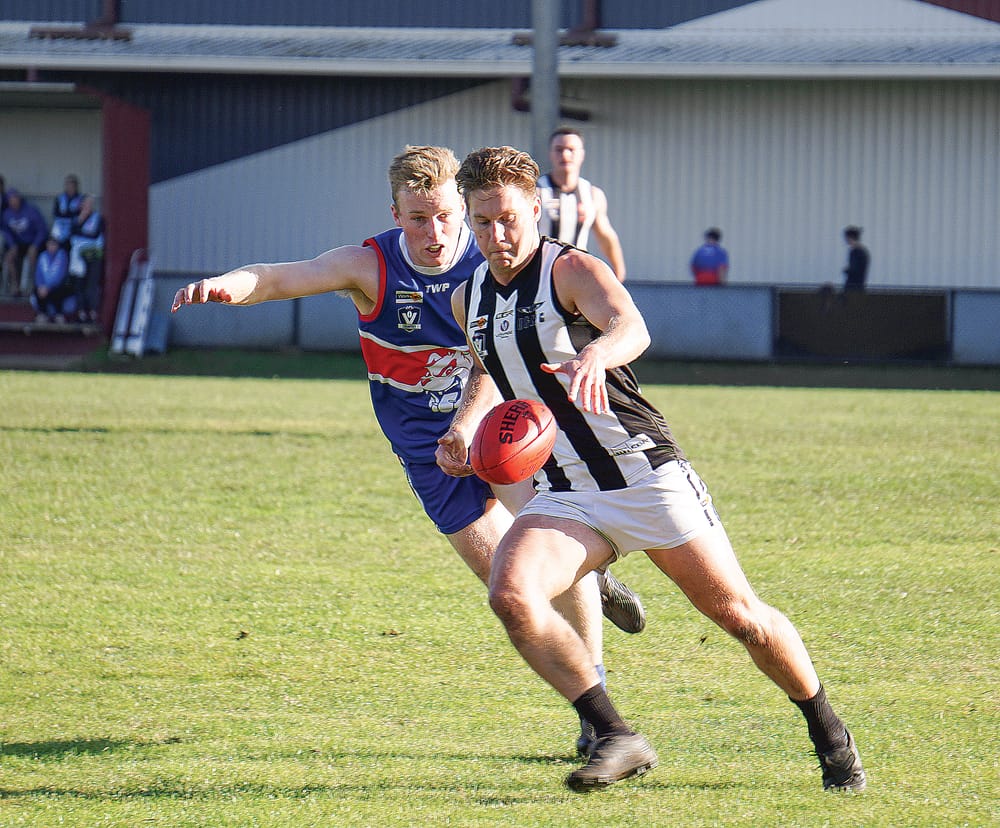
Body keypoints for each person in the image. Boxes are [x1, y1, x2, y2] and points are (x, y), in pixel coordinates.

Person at [170, 145, 645, 757]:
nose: (436, 232)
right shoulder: (370, 267)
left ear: (464, 208)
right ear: (396, 214)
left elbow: (492, 356)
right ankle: (593, 582)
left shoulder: (491, 263)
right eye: (418, 218)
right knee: (502, 575)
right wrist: (226, 287)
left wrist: (472, 420)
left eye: (447, 215)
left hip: (505, 427)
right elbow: (284, 276)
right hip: (427, 450)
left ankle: (595, 708)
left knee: (549, 555)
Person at [437, 145, 866, 793]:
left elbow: (630, 325)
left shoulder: (571, 270)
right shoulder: (467, 297)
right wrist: (463, 427)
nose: (497, 235)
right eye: (482, 222)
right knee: (512, 594)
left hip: (643, 473)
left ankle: (830, 734)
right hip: (566, 490)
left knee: (738, 616)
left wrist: (596, 356)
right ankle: (615, 734)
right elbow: (486, 367)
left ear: (534, 207)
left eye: (508, 218)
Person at [536, 127, 626, 281]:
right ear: (550, 154)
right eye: (559, 149)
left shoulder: (592, 195)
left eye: (571, 149)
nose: (565, 155)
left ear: (582, 154)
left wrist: (619, 271)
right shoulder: (536, 191)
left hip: (577, 274)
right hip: (540, 273)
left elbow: (605, 235)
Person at [1, 188, 48, 297]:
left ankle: (34, 285)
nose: (13, 202)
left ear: (19, 199)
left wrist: (35, 245)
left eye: (15, 199)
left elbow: (42, 230)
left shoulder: (31, 210)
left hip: (32, 242)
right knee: (9, 257)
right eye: (10, 200)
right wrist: (12, 245)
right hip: (17, 244)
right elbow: (6, 231)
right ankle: (15, 285)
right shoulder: (6, 214)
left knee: (32, 256)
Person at [68, 195, 105, 321]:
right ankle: (81, 311)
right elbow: (72, 232)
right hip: (78, 256)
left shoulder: (97, 218)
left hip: (93, 254)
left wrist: (81, 234)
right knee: (79, 284)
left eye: (90, 204)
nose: (87, 206)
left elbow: (95, 234)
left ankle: (92, 311)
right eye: (85, 203)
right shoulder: (75, 219)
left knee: (91, 283)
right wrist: (80, 220)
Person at [31, 234, 74, 323]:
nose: (51, 247)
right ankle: (43, 314)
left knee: (58, 290)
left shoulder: (62, 256)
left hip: (56, 285)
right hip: (44, 287)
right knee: (38, 290)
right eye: (49, 245)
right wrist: (40, 286)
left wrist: (49, 287)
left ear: (57, 246)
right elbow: (38, 274)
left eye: (53, 245)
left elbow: (61, 275)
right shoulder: (42, 256)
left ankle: (58, 314)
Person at [51, 174, 84, 246]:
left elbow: (81, 214)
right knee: (55, 236)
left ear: (76, 186)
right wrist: (68, 215)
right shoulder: (59, 198)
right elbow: (55, 213)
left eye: (72, 184)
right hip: (61, 224)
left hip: (75, 226)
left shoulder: (81, 198)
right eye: (68, 184)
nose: (70, 187)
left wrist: (68, 215)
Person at [842, 226, 869, 291]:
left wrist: (846, 271)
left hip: (853, 288)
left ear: (850, 237)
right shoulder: (863, 251)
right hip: (859, 286)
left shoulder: (856, 252)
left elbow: (854, 270)